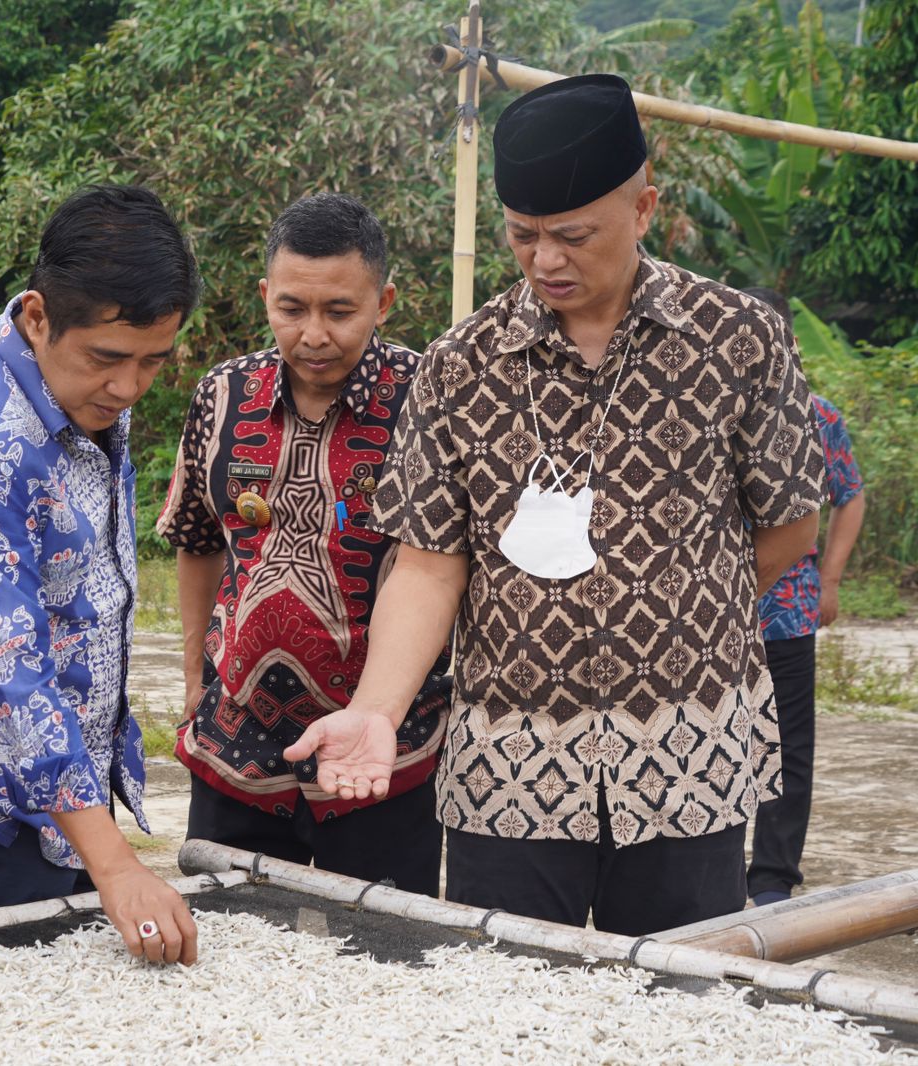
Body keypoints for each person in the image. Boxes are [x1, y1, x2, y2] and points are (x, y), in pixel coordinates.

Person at [286, 74, 824, 935]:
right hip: (511, 770)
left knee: (675, 1011)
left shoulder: (736, 339)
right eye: (523, 236)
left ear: (644, 210)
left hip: (686, 762)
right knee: (510, 1009)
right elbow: (428, 564)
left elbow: (793, 522)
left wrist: (677, 600)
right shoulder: (462, 364)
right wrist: (378, 710)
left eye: (574, 236)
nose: (546, 262)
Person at [0, 185, 203, 965]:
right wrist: (117, 865)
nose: (128, 388)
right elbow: (6, 674)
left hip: (67, 812)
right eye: (109, 361)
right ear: (36, 316)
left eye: (154, 362)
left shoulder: (77, 383)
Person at [156, 193, 449, 894]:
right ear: (265, 296)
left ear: (384, 301)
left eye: (340, 311)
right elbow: (197, 541)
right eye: (292, 308)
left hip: (387, 754)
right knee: (229, 952)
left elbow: (445, 568)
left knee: (382, 956)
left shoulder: (431, 398)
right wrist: (197, 676)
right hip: (235, 746)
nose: (314, 333)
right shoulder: (221, 396)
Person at [740, 287, 866, 908]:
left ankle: (771, 877)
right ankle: (705, 868)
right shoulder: (687, 405)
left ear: (787, 340)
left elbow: (849, 493)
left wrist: (832, 579)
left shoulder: (819, 416)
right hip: (697, 619)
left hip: (785, 613)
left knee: (788, 747)